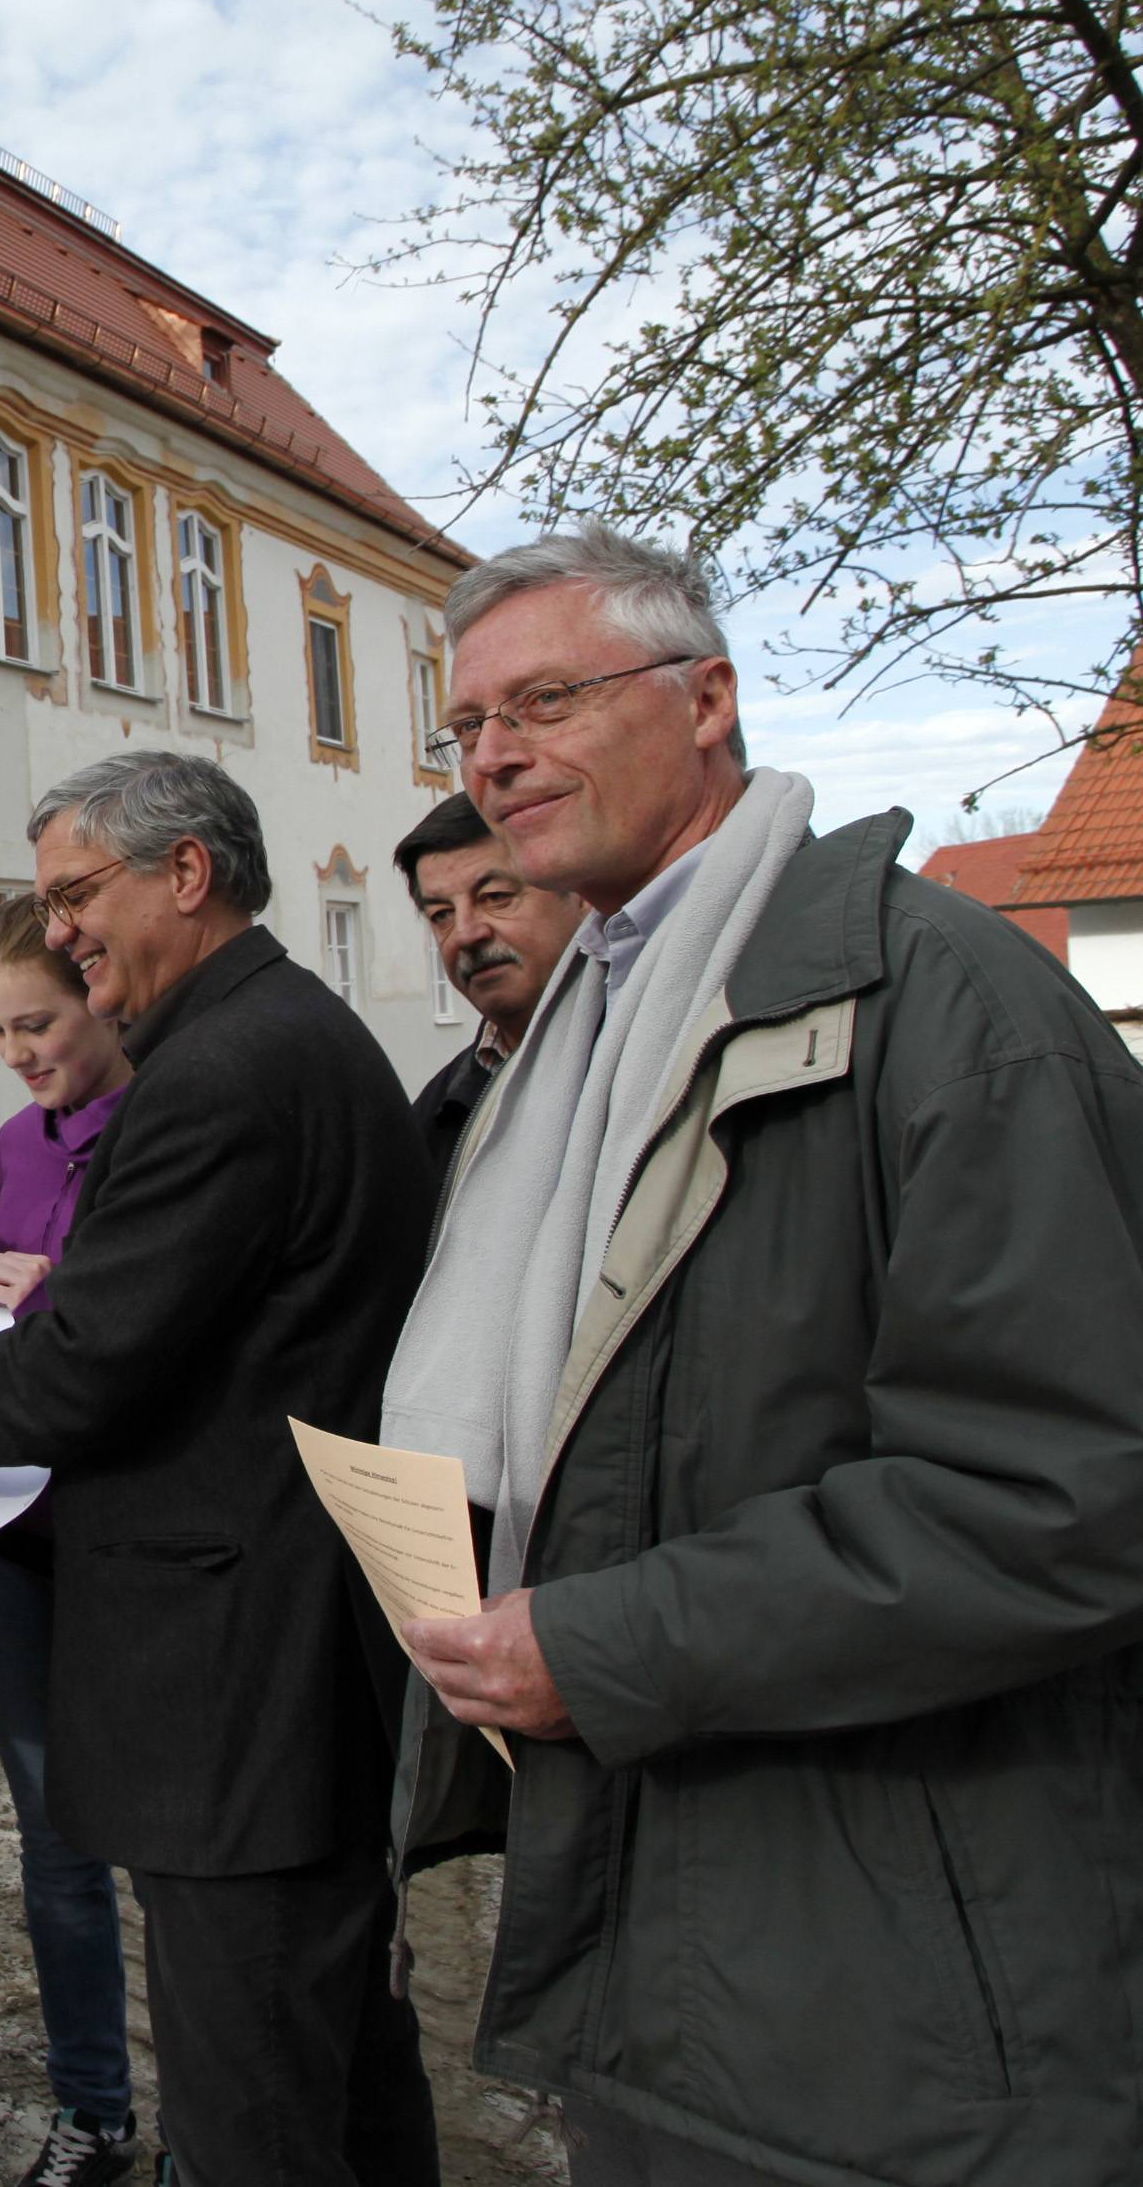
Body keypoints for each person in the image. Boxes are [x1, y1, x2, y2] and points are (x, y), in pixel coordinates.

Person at [385, 523, 1143, 2185]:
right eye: (468, 727)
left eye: (550, 699)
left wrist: (607, 1643)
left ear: (710, 697)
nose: (498, 753)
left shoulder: (947, 1012)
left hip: (905, 1989)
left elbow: (1059, 1501)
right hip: (668, 1911)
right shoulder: (573, 1042)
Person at [0, 755, 439, 2187]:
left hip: (233, 1679)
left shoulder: (219, 1070)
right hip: (293, 1648)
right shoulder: (287, 1031)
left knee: (252, 2106)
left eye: (73, 894)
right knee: (342, 2066)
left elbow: (93, 1361)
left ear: (184, 872)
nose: (56, 931)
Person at [0, 893, 141, 2187]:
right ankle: (94, 2108)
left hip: (133, 1528)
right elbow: (20, 1277)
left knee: (173, 1849)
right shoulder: (18, 1138)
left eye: (40, 1019)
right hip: (15, 1530)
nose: (19, 1049)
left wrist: (50, 1286)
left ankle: (227, 2110)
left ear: (101, 995)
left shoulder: (166, 1124)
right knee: (55, 1839)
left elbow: (144, 1312)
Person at [391, 793, 586, 1193]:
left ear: (580, 894)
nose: (466, 933)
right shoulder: (436, 1115)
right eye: (441, 915)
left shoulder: (655, 1054)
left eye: (495, 897)